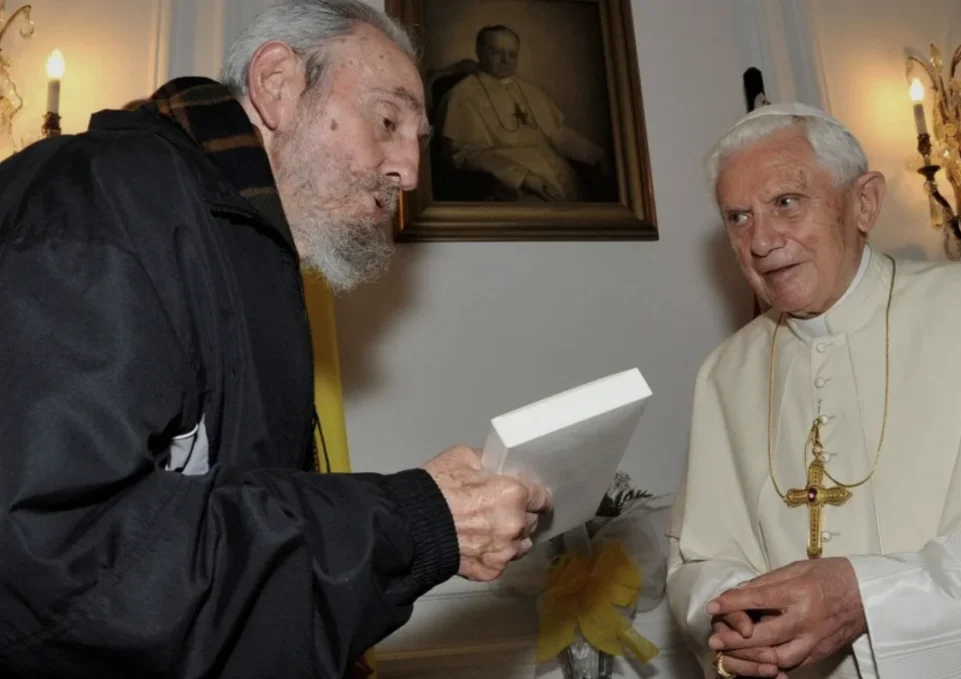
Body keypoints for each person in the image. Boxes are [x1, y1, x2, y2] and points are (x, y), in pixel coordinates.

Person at [0, 1, 552, 677]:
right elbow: (67, 569)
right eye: (387, 120)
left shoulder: (238, 241)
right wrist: (414, 520)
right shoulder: (94, 200)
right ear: (278, 83)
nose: (408, 171)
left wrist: (419, 519)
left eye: (419, 141)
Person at [666, 102, 961, 679]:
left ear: (864, 203)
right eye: (737, 217)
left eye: (785, 202)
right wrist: (734, 613)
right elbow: (698, 560)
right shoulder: (725, 373)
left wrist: (872, 598)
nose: (760, 240)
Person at [440, 24, 611, 202]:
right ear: (479, 51)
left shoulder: (531, 92)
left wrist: (594, 155)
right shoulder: (461, 95)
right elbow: (467, 153)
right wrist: (524, 178)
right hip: (508, 185)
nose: (506, 60)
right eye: (497, 52)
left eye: (512, 54)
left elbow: (557, 134)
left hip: (559, 176)